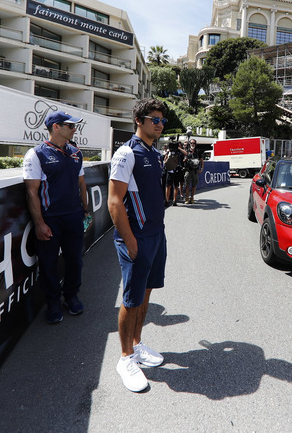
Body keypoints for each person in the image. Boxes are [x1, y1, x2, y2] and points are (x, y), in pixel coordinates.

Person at [108, 98, 169, 392]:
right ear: (139, 121)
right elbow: (114, 201)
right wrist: (130, 241)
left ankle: (137, 344)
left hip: (157, 235)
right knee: (131, 300)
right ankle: (125, 358)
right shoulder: (126, 153)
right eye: (154, 119)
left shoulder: (154, 153)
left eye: (162, 120)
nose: (158, 124)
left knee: (145, 296)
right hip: (136, 238)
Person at [23, 111, 90, 324]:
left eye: (74, 126)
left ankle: (71, 296)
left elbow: (81, 183)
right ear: (56, 127)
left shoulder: (76, 152)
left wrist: (85, 210)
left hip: (74, 217)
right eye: (70, 125)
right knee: (49, 264)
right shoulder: (36, 154)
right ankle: (53, 302)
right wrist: (39, 223)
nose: (74, 129)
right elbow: (31, 191)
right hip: (50, 219)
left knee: (75, 260)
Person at [163, 139, 184, 206]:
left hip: (176, 171)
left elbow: (186, 153)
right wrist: (168, 151)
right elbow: (165, 160)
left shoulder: (178, 152)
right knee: (168, 186)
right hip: (169, 171)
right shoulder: (168, 152)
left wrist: (178, 148)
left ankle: (174, 200)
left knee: (176, 186)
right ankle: (167, 200)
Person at [183, 138, 203, 204]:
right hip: (188, 170)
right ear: (189, 144)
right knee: (187, 185)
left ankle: (192, 198)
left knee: (194, 185)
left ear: (195, 144)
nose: (193, 144)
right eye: (191, 143)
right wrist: (185, 160)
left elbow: (201, 160)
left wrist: (202, 168)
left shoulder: (198, 151)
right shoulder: (186, 150)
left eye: (194, 143)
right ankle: (187, 198)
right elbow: (183, 160)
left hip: (195, 171)